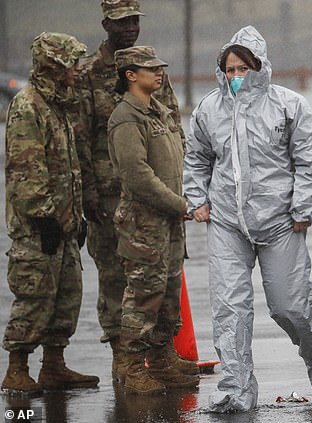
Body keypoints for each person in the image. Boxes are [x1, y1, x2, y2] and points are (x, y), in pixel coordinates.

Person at [183, 26, 312, 412]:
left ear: (259, 66)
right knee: (229, 308)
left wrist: (304, 206)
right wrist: (196, 198)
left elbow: (310, 158)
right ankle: (236, 390)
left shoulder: (289, 105)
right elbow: (197, 158)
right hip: (226, 223)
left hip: (280, 221)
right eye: (229, 69)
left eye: (243, 68)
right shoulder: (209, 109)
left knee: (291, 307)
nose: (237, 76)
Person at [74, 0, 197, 382]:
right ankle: (123, 361)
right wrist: (88, 193)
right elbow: (79, 136)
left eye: (133, 20)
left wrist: (178, 181)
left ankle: (160, 355)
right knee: (118, 278)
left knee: (161, 277)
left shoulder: (151, 70)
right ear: (106, 24)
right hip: (112, 194)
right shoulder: (91, 74)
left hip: (157, 194)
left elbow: (172, 123)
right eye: (120, 21)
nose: (129, 27)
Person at [1, 32, 99, 395]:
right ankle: (16, 369)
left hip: (65, 223)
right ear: (54, 64)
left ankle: (54, 366)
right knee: (35, 296)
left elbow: (67, 167)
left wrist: (75, 219)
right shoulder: (29, 106)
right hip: (38, 227)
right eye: (72, 62)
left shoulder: (59, 105)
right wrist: (43, 217)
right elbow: (27, 169)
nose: (77, 70)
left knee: (67, 296)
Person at [108, 46, 199, 395]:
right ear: (130, 75)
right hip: (145, 222)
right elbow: (136, 175)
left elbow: (180, 158)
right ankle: (132, 366)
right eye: (150, 69)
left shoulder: (158, 111)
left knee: (168, 292)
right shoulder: (126, 117)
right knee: (144, 295)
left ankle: (162, 358)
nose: (159, 73)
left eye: (160, 67)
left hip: (170, 220)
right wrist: (178, 203)